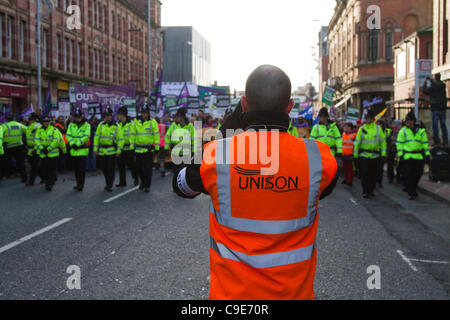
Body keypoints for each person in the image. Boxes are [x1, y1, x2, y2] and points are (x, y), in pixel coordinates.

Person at [172, 65, 338, 300]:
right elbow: (325, 188)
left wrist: (224, 131)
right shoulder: (317, 157)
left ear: (244, 104)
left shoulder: (217, 154)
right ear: (289, 106)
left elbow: (180, 186)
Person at [396, 111, 431, 200]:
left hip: (418, 156)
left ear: (413, 121)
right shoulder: (402, 131)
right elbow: (399, 144)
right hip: (407, 156)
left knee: (418, 174)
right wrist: (400, 155)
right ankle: (411, 192)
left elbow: (425, 143)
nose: (408, 122)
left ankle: (413, 188)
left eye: (410, 120)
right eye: (407, 121)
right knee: (408, 175)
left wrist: (427, 154)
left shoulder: (421, 131)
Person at [353, 110, 386, 198]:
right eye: (366, 118)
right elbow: (357, 143)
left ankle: (371, 190)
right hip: (364, 155)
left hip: (375, 156)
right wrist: (355, 155)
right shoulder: (362, 129)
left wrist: (383, 154)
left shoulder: (378, 129)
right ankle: (365, 190)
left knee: (373, 174)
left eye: (369, 118)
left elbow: (382, 142)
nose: (367, 120)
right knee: (365, 174)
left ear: (372, 119)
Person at [94, 108, 123, 192]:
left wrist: (119, 151)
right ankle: (107, 182)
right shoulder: (101, 125)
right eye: (106, 116)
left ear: (112, 116)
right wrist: (95, 149)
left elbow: (120, 139)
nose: (108, 117)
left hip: (112, 151)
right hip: (102, 151)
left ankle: (109, 184)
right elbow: (97, 137)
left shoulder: (116, 126)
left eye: (109, 116)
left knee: (111, 169)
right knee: (104, 169)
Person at [35, 115, 66, 191]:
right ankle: (48, 181)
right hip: (43, 153)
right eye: (45, 122)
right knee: (43, 169)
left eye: (48, 121)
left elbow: (56, 140)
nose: (46, 123)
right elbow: (36, 140)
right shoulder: (39, 130)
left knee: (51, 170)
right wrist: (42, 148)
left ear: (50, 122)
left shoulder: (54, 130)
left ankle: (49, 184)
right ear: (42, 122)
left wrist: (49, 148)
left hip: (52, 153)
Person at [133, 105, 159, 192]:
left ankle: (147, 185)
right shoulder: (136, 122)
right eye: (143, 113)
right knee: (138, 168)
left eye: (146, 113)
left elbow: (156, 135)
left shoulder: (153, 122)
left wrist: (157, 147)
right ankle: (142, 182)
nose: (144, 114)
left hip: (149, 149)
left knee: (147, 169)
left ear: (148, 113)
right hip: (138, 149)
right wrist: (132, 146)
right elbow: (132, 134)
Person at [66, 109, 91, 192]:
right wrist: (72, 143)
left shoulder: (86, 125)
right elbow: (68, 135)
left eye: (79, 117)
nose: (77, 119)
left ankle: (81, 184)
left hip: (82, 150)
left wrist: (77, 144)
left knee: (81, 169)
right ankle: (77, 183)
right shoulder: (71, 125)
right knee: (76, 169)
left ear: (82, 117)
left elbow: (86, 136)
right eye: (76, 117)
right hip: (74, 150)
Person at [166, 107, 196, 172]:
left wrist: (194, 151)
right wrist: (166, 147)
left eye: (178, 116)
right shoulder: (173, 125)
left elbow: (194, 139)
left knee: (185, 173)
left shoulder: (190, 126)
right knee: (176, 173)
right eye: (177, 116)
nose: (177, 118)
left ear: (183, 117)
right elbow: (168, 136)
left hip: (186, 154)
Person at [1, 114, 27, 182]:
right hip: (19, 146)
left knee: (3, 162)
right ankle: (24, 178)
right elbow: (28, 130)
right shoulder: (19, 124)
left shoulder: (4, 126)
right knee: (21, 163)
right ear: (13, 118)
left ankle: (2, 176)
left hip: (8, 147)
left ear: (6, 119)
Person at [423, 74, 448, 146]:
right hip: (442, 107)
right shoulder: (443, 85)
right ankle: (445, 140)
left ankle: (437, 140)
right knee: (443, 125)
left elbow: (425, 91)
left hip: (435, 107)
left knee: (435, 125)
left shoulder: (433, 86)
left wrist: (425, 82)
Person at [116, 107, 138, 187]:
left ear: (123, 115)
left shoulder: (132, 123)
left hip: (130, 149)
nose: (117, 116)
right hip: (121, 149)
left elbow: (135, 135)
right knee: (121, 166)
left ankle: (135, 178)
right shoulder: (117, 124)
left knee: (132, 166)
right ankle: (122, 182)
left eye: (119, 114)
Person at [25, 113, 42, 186]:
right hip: (29, 149)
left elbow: (38, 138)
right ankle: (47, 177)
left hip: (36, 149)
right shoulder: (29, 126)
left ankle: (31, 181)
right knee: (35, 166)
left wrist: (36, 148)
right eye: (29, 119)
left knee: (34, 166)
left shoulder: (37, 126)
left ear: (34, 119)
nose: (29, 120)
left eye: (31, 119)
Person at [376, 119, 387, 188]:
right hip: (376, 151)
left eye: (380, 124)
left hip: (382, 151)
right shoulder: (375, 131)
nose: (379, 126)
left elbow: (386, 142)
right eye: (378, 124)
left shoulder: (386, 131)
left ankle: (379, 181)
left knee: (380, 168)